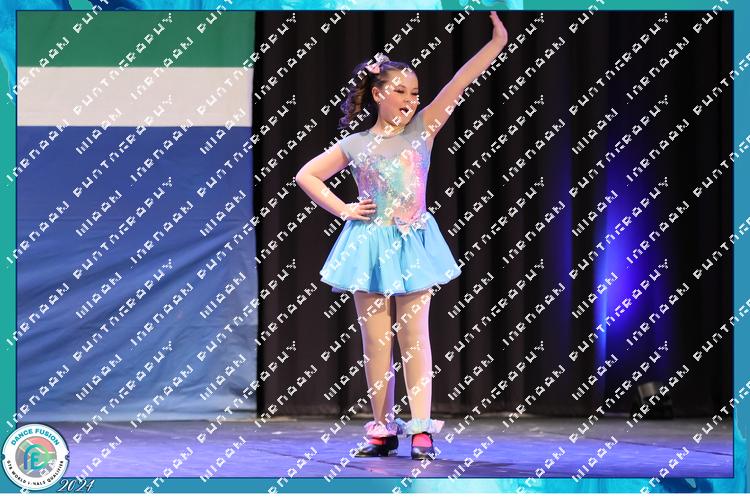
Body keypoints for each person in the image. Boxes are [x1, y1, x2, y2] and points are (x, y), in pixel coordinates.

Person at [295, 11, 508, 460]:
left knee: (415, 339)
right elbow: (307, 175)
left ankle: (421, 430)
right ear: (378, 94)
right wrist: (344, 208)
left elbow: (460, 82)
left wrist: (495, 43)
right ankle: (382, 429)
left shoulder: (423, 130)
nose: (410, 99)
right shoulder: (356, 144)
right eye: (401, 91)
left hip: (412, 242)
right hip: (369, 244)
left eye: (415, 93)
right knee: (377, 343)